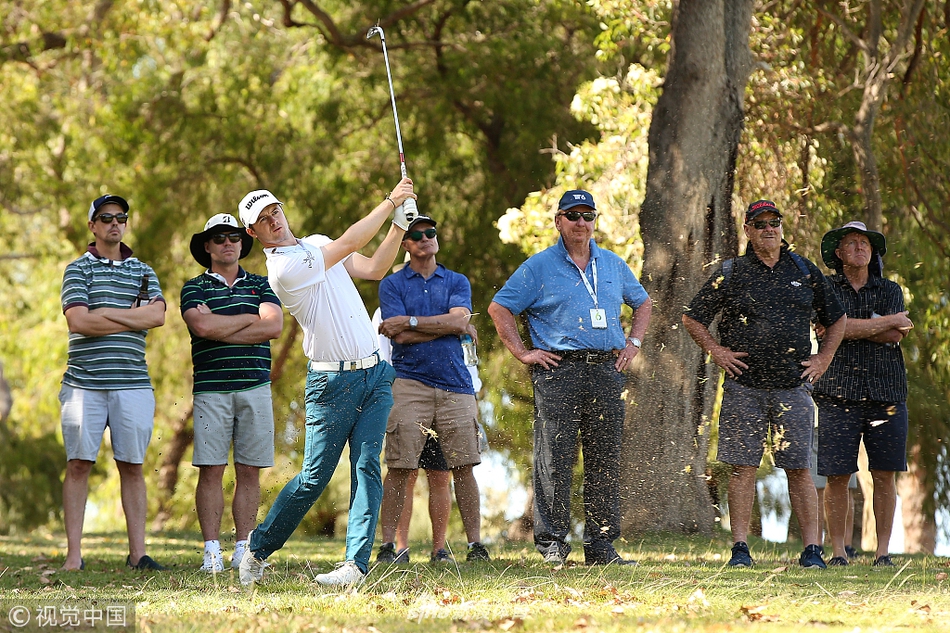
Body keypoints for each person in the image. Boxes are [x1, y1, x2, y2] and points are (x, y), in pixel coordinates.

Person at [237, 178, 416, 587]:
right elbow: (351, 241)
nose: (273, 221)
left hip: (374, 374)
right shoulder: (283, 270)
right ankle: (258, 549)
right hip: (331, 384)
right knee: (314, 478)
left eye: (275, 211)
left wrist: (399, 226)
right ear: (253, 232)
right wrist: (391, 202)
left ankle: (355, 565)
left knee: (367, 466)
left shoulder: (316, 243)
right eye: (263, 220)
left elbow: (373, 268)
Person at [488, 190, 652, 566]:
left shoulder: (612, 264)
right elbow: (499, 308)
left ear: (594, 221)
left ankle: (601, 546)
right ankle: (553, 545)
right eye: (573, 215)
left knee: (604, 458)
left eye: (587, 215)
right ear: (558, 221)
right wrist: (523, 352)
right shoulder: (538, 266)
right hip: (558, 370)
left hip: (607, 369)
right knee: (555, 458)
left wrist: (634, 343)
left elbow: (643, 302)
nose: (581, 222)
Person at [681, 199, 847, 569]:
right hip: (745, 387)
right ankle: (740, 549)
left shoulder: (803, 269)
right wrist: (716, 351)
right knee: (742, 468)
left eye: (774, 222)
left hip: (793, 387)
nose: (768, 229)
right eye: (760, 224)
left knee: (799, 469)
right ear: (748, 231)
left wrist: (823, 358)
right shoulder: (732, 272)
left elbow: (837, 318)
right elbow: (692, 317)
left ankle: (812, 551)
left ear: (781, 227)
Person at [59, 194, 167, 571]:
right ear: (93, 226)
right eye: (106, 218)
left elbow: (157, 316)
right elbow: (78, 322)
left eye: (121, 217)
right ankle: (74, 556)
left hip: (133, 383)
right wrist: (129, 315)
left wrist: (103, 312)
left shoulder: (144, 272)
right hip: (83, 385)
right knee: (78, 465)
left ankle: (138, 555)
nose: (114, 223)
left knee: (132, 465)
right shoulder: (77, 270)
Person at [375, 216, 490, 564]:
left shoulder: (456, 281)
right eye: (417, 235)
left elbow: (459, 320)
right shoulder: (392, 285)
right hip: (409, 384)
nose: (425, 238)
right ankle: (389, 547)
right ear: (406, 244)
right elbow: (398, 336)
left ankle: (473, 546)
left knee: (463, 467)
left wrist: (412, 322)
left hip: (457, 386)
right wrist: (448, 326)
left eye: (431, 233)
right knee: (400, 467)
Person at [181, 213, 284, 572]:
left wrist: (221, 326)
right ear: (207, 246)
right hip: (211, 391)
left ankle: (243, 548)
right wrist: (249, 319)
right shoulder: (194, 288)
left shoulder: (260, 284)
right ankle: (212, 552)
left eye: (234, 237)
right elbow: (201, 326)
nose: (228, 243)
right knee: (210, 469)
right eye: (220, 238)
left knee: (249, 471)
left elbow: (274, 327)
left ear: (242, 244)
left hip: (255, 387)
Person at [813, 221, 912, 567]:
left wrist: (844, 328)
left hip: (887, 392)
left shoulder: (890, 289)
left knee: (884, 474)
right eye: (852, 242)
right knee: (837, 475)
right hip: (836, 391)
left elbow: (896, 335)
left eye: (865, 243)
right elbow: (826, 331)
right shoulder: (825, 288)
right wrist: (885, 321)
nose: (860, 247)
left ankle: (883, 553)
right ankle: (838, 552)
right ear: (838, 253)